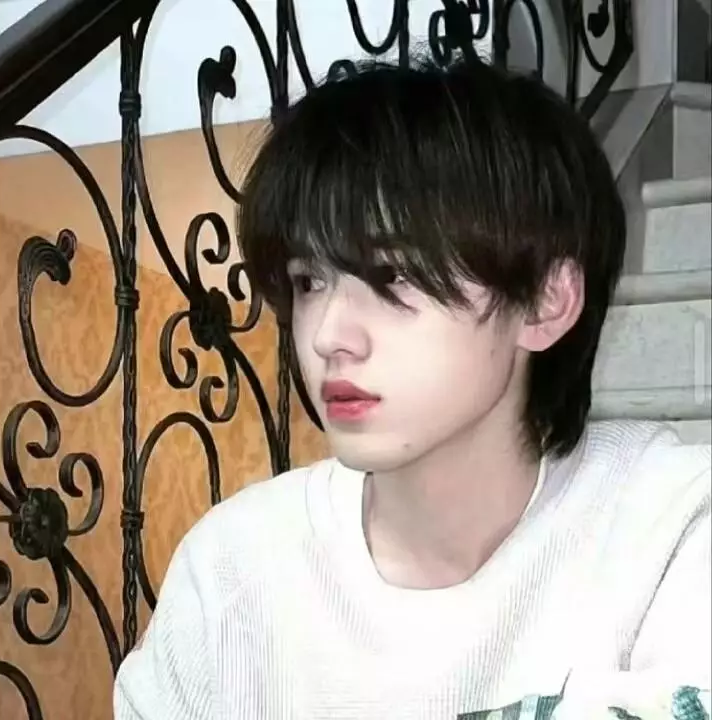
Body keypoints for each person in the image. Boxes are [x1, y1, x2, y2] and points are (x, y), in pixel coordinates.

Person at [113, 57, 711, 719]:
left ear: (545, 301)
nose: (328, 336)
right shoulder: (232, 569)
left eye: (393, 275)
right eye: (309, 281)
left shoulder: (673, 526)